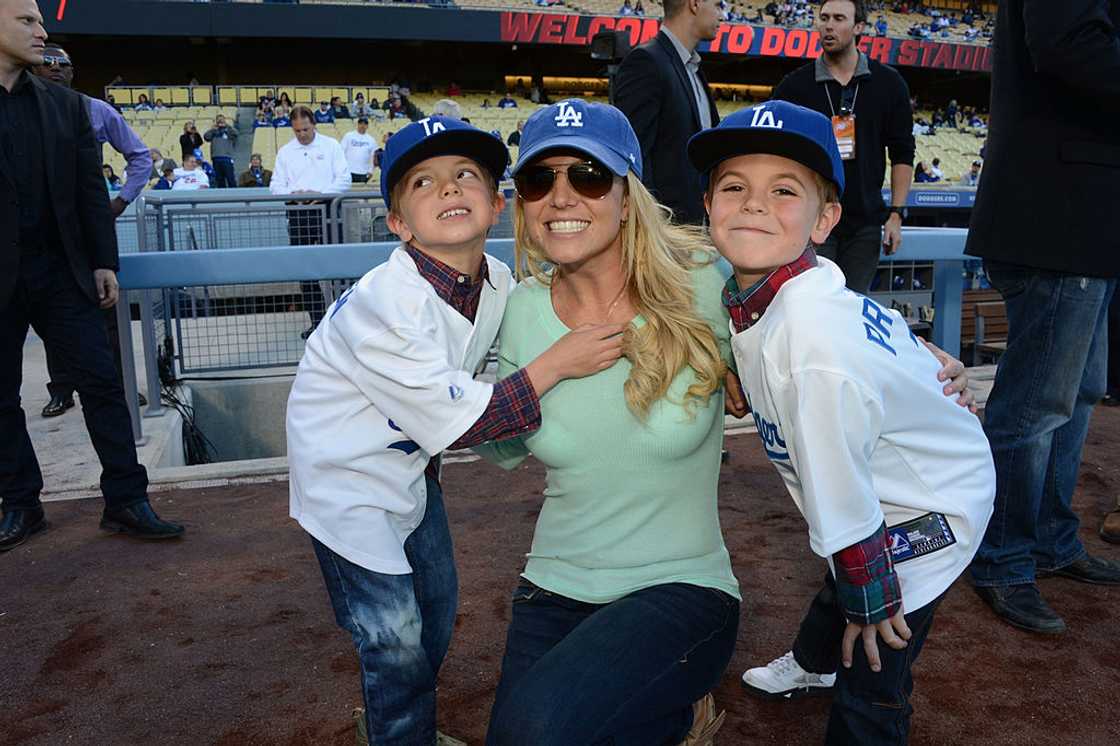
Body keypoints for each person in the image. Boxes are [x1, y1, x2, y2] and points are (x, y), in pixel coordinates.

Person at [288, 115, 621, 746]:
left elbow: (523, 333)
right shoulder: (386, 302)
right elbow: (467, 421)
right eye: (423, 182)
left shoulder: (494, 280)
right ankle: (399, 731)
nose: (449, 189)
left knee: (435, 615)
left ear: (497, 204)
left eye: (466, 175)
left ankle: (397, 715)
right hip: (346, 489)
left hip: (408, 471)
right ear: (397, 223)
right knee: (392, 636)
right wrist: (559, 364)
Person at [689, 99, 993, 743]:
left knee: (875, 657)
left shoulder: (812, 347)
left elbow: (847, 504)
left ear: (825, 218)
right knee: (839, 570)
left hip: (929, 501)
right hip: (907, 465)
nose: (752, 204)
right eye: (734, 187)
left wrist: (871, 597)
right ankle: (811, 661)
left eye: (783, 190)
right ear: (708, 205)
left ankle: (859, 696)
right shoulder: (793, 280)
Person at [483, 98, 739, 746]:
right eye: (541, 180)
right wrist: (545, 370)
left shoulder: (703, 286)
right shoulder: (520, 309)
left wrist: (924, 361)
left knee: (534, 732)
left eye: (589, 176)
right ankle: (674, 723)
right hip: (553, 582)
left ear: (628, 196)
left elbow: (813, 329)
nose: (562, 196)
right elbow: (504, 450)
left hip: (683, 586)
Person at [0, 0, 183, 551]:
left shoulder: (66, 107)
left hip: (63, 273)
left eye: (40, 19)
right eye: (27, 20)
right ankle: (21, 505)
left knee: (102, 384)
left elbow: (87, 191)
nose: (42, 29)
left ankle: (126, 499)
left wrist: (105, 261)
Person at [965, 0, 1120, 635]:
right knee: (1036, 406)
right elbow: (1066, 45)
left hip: (1083, 217)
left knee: (1077, 394)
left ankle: (1053, 538)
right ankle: (1002, 557)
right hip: (1059, 214)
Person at [32, 43, 153, 416]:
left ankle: (119, 386)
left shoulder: (96, 110)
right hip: (40, 228)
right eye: (46, 63)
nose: (55, 69)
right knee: (50, 310)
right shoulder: (21, 110)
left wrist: (119, 202)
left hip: (88, 226)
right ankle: (62, 388)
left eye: (63, 64)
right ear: (34, 70)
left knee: (107, 306)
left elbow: (140, 156)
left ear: (73, 72)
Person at [771, 0, 915, 293]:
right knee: (811, 306)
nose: (828, 25)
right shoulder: (794, 86)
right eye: (824, 18)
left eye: (838, 18)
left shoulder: (889, 83)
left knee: (852, 309)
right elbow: (777, 155)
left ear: (858, 27)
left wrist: (896, 214)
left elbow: (902, 152)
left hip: (865, 223)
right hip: (810, 220)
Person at [613, 0, 722, 225]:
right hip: (665, 234)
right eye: (718, 4)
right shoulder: (646, 62)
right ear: (695, 4)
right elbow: (634, 157)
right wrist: (656, 227)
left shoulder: (694, 69)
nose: (722, 15)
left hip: (696, 228)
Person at [269, 105, 350, 339]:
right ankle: (317, 323)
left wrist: (321, 193)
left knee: (335, 266)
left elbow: (344, 179)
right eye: (297, 131)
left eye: (305, 129)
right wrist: (293, 195)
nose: (302, 134)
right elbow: (276, 186)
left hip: (327, 210)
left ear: (314, 124)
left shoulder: (331, 146)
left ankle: (341, 323)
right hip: (298, 213)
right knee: (305, 270)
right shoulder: (285, 152)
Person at [203, 113, 239, 188]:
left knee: (230, 178)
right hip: (216, 157)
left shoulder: (229, 130)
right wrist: (213, 129)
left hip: (227, 157)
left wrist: (227, 126)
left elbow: (236, 133)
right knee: (219, 179)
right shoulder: (214, 131)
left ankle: (234, 194)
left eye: (222, 120)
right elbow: (206, 137)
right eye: (218, 120)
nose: (220, 122)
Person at [340, 117, 376, 184]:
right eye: (361, 123)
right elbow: (341, 151)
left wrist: (370, 170)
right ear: (357, 124)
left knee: (360, 192)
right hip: (349, 170)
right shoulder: (349, 136)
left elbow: (372, 156)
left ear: (367, 126)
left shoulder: (371, 140)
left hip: (363, 172)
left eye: (365, 124)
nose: (362, 126)